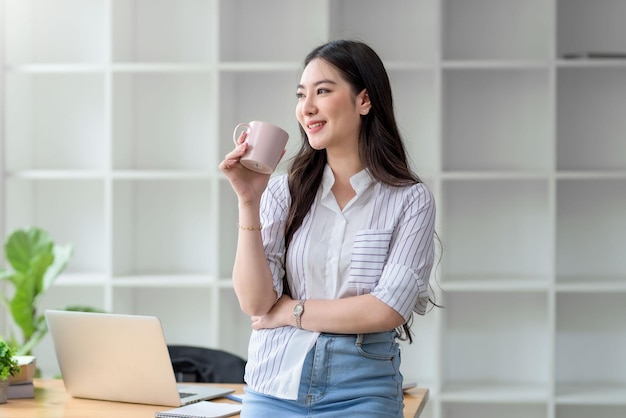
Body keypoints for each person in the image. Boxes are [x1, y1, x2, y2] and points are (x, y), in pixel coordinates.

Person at [219, 39, 437, 417]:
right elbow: (255, 304)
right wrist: (248, 201)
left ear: (364, 101)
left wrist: (290, 312)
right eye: (302, 94)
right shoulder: (280, 190)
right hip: (274, 385)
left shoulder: (410, 200)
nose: (307, 108)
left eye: (323, 91)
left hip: (362, 391)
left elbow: (387, 309)